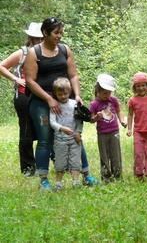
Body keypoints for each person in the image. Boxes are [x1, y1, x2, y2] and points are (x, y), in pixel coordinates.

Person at [24, 17, 96, 190]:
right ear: (45, 33)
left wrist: (77, 95)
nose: (59, 36)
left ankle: (86, 176)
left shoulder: (65, 50)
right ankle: (44, 180)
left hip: (66, 100)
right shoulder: (34, 53)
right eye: (56, 33)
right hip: (42, 101)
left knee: (75, 136)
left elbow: (73, 75)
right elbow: (30, 81)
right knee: (45, 139)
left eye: (61, 33)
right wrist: (49, 99)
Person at [0, 22, 43, 176]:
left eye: (41, 38)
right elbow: (2, 66)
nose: (38, 41)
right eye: (35, 38)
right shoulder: (22, 53)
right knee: (26, 131)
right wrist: (15, 79)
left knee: (43, 129)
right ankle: (28, 168)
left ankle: (42, 164)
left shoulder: (45, 51)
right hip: (23, 95)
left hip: (40, 95)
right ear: (30, 37)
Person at [90, 73, 126, 182]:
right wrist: (97, 117)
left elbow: (119, 111)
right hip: (102, 133)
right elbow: (91, 120)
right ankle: (106, 177)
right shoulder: (94, 104)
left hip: (114, 131)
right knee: (104, 155)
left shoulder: (113, 100)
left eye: (109, 92)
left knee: (116, 154)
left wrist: (122, 120)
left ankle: (117, 176)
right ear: (98, 91)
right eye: (105, 93)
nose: (107, 95)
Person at [49, 78, 83, 191]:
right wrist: (61, 128)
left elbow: (79, 120)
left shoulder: (74, 104)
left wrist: (78, 132)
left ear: (70, 92)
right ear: (55, 94)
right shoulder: (54, 106)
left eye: (65, 93)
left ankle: (76, 182)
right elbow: (52, 122)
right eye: (60, 94)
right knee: (60, 162)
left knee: (75, 161)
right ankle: (58, 183)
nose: (63, 96)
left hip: (74, 139)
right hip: (60, 140)